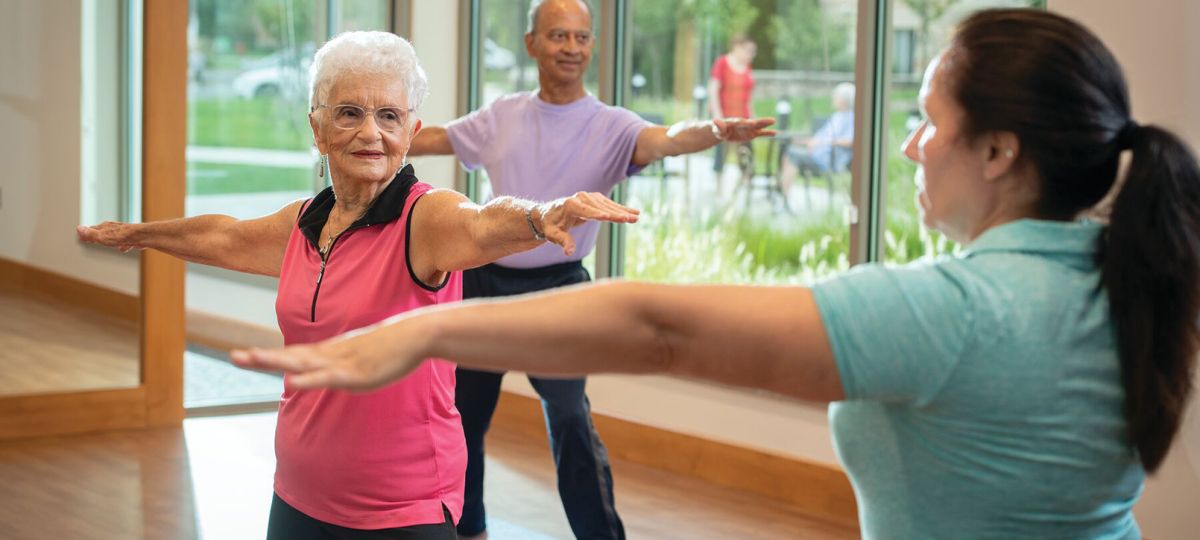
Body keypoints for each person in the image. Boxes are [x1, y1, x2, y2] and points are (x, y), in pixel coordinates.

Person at [234, 9, 1200, 538]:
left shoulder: (954, 311)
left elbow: (663, 329)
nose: (911, 146)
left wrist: (425, 327)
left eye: (928, 121)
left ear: (997, 151)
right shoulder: (1126, 274)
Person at [78, 31, 638, 539]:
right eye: (350, 113)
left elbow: (484, 222)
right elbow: (224, 236)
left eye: (389, 116)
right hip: (297, 494)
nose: (371, 132)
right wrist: (140, 233)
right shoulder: (303, 223)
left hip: (403, 509)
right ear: (317, 129)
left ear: (410, 133)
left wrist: (542, 215)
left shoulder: (427, 221)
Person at [404, 2, 773, 539]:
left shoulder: (612, 125)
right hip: (485, 284)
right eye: (558, 36)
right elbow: (432, 139)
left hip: (559, 290)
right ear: (532, 43)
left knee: (571, 420)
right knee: (463, 417)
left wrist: (714, 131)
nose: (572, 48)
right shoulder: (501, 114)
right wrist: (368, 129)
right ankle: (469, 528)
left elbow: (667, 139)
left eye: (581, 37)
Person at [778, 82, 856, 196]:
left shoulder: (851, 118)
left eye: (836, 97)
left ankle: (783, 194)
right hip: (817, 154)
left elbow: (851, 141)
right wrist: (802, 141)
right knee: (789, 149)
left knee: (792, 154)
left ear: (844, 100)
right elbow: (818, 137)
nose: (833, 99)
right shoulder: (837, 116)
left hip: (829, 160)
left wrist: (822, 142)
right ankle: (782, 189)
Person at [707, 34, 758, 177]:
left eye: (753, 52)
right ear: (737, 47)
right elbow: (713, 89)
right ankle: (719, 189)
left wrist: (753, 117)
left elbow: (749, 96)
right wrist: (717, 114)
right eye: (748, 51)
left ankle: (745, 185)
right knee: (721, 152)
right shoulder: (722, 63)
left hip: (743, 117)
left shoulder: (747, 68)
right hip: (725, 116)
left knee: (746, 153)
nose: (750, 55)